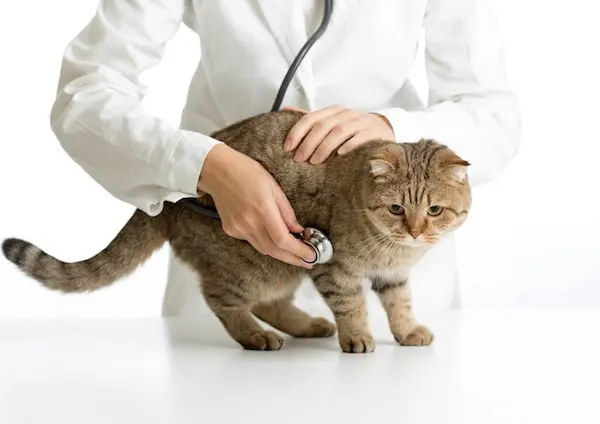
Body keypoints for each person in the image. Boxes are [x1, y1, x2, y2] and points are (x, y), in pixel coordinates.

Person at [49, 0, 521, 317]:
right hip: (228, 251)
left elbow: (493, 114)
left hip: (394, 278)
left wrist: (395, 133)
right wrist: (204, 165)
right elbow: (85, 93)